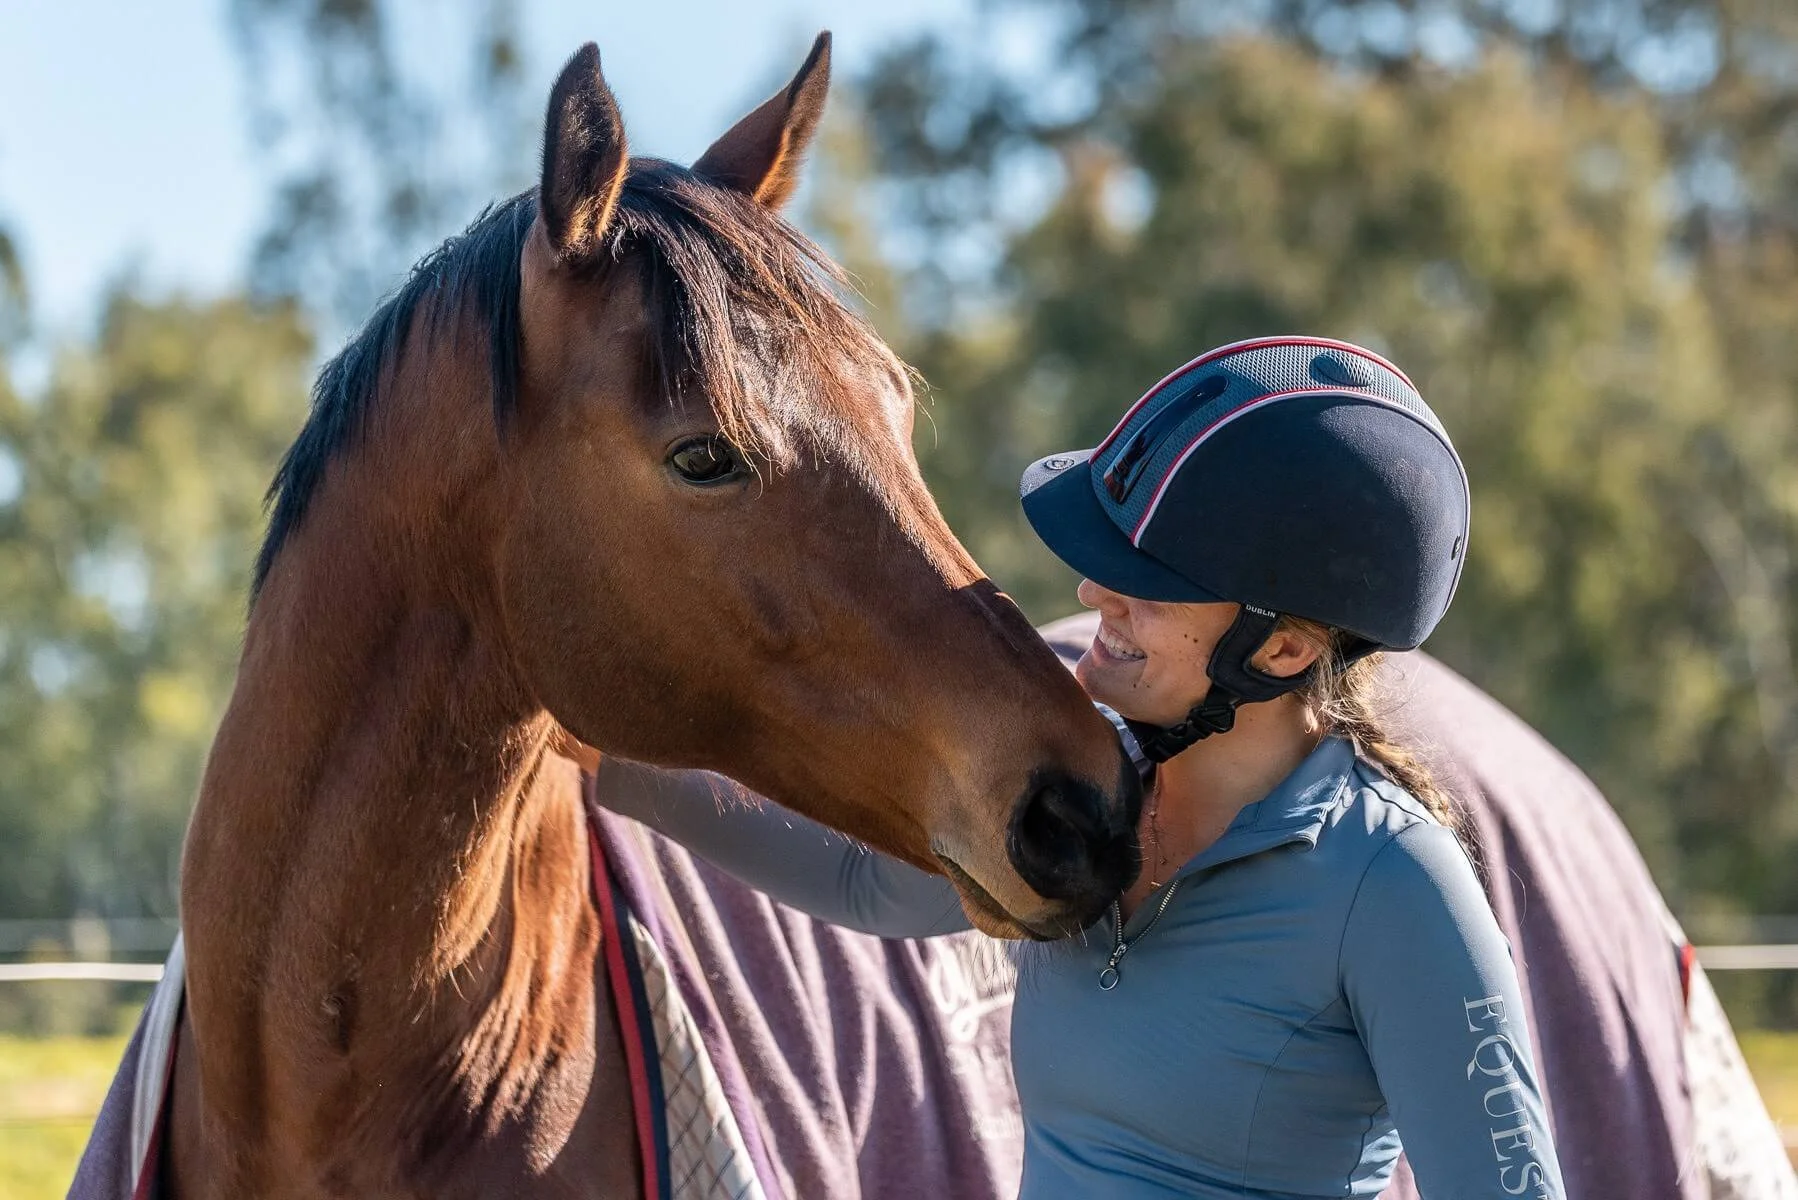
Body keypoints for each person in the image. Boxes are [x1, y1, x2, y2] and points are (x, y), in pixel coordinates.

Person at [598, 335, 1567, 1198]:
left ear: (1281, 651)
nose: (1095, 591)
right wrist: (591, 750)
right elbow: (866, 882)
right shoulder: (1089, 787)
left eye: (1151, 582)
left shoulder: (1392, 881)